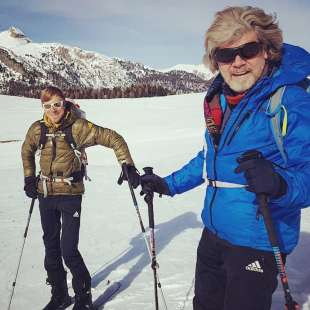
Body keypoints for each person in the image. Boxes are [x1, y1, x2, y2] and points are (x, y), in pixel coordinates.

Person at [140, 6, 310, 310]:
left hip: (257, 240)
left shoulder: (290, 101)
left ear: (268, 50)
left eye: (248, 49)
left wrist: (279, 184)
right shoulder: (219, 100)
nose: (238, 62)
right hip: (214, 233)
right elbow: (209, 157)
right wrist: (168, 184)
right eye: (226, 55)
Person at [21, 86, 140, 310]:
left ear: (64, 103)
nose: (53, 109)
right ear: (42, 107)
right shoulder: (38, 129)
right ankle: (59, 295)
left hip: (70, 195)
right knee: (51, 249)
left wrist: (127, 165)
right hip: (45, 194)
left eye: (57, 104)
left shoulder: (78, 127)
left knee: (68, 250)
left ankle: (83, 296)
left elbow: (113, 138)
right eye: (47, 106)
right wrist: (29, 178)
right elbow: (26, 150)